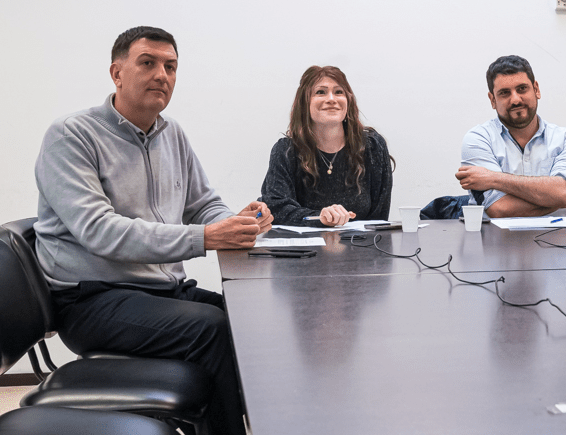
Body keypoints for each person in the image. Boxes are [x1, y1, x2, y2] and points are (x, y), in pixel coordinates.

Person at [34, 26, 273, 435]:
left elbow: (203, 205)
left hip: (161, 291)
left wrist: (238, 221)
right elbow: (100, 231)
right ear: (117, 73)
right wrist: (206, 238)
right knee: (210, 328)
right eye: (147, 63)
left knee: (247, 314)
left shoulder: (171, 133)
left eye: (170, 67)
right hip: (91, 300)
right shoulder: (72, 135)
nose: (161, 74)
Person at [455, 55, 566, 218]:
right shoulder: (478, 139)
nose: (516, 100)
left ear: (536, 89)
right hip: (495, 235)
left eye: (522, 89)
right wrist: (561, 199)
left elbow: (564, 193)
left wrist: (494, 178)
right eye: (504, 93)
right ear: (493, 100)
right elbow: (499, 209)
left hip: (557, 234)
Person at [261, 65, 393, 226]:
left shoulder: (373, 146)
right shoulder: (286, 151)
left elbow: (379, 217)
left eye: (339, 92)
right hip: (303, 242)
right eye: (320, 92)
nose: (331, 99)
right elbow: (276, 209)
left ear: (348, 101)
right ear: (305, 103)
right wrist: (321, 217)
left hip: (361, 241)